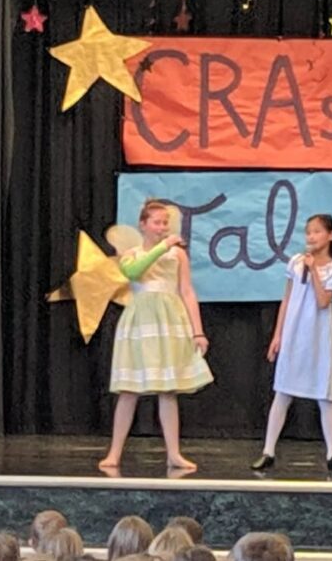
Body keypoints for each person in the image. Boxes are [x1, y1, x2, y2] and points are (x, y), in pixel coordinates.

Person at [99, 199, 213, 471]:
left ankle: (173, 453)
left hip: (169, 320)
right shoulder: (132, 253)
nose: (162, 227)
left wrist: (198, 331)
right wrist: (163, 246)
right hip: (140, 321)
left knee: (168, 389)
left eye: (165, 223)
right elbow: (134, 273)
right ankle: (114, 453)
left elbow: (187, 291)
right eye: (157, 222)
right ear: (143, 224)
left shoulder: (178, 255)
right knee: (129, 389)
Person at [251, 214, 332, 473]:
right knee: (283, 391)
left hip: (317, 337)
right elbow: (287, 299)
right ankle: (268, 451)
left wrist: (314, 269)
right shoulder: (295, 262)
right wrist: (278, 335)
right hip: (293, 334)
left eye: (317, 232)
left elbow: (322, 301)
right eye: (308, 232)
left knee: (325, 396)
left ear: (330, 235)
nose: (311, 237)